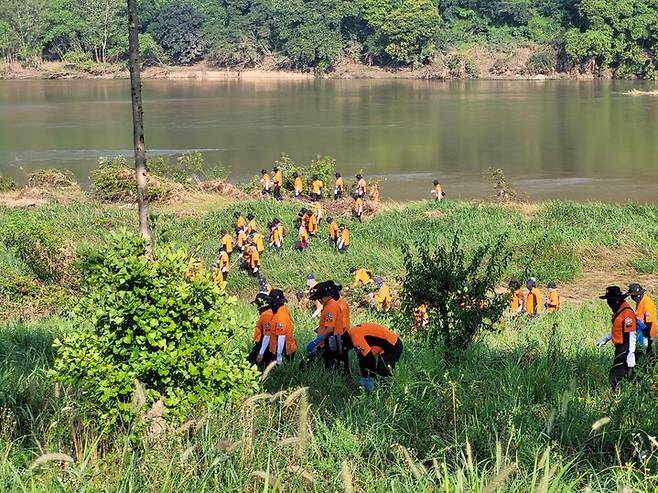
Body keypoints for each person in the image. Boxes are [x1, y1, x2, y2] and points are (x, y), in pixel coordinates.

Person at [596, 286, 637, 391]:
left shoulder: (627, 313)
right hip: (620, 347)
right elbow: (617, 329)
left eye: (610, 301)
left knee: (614, 375)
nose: (609, 304)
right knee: (629, 374)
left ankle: (614, 398)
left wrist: (631, 353)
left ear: (617, 301)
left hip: (625, 347)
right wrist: (605, 339)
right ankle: (647, 390)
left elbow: (631, 334)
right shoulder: (618, 310)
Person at [306, 280, 351, 373]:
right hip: (332, 339)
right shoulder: (330, 305)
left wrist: (316, 341)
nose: (318, 300)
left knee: (336, 367)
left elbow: (333, 327)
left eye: (319, 298)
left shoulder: (333, 306)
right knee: (336, 367)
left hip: (334, 339)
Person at [342, 323, 403, 392]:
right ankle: (378, 391)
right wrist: (364, 377)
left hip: (393, 345)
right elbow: (362, 359)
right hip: (385, 348)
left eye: (348, 348)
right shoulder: (352, 333)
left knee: (383, 374)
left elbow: (371, 360)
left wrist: (371, 378)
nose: (351, 349)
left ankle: (386, 394)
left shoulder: (356, 338)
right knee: (380, 373)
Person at [259, 289, 297, 365]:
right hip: (276, 349)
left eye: (270, 302)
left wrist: (279, 355)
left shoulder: (281, 316)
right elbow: (268, 334)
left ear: (274, 304)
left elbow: (281, 337)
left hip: (285, 350)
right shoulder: (276, 313)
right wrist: (261, 353)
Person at [628, 283, 656, 363]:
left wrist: (648, 337)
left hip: (647, 332)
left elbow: (649, 322)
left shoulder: (646, 303)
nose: (633, 298)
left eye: (633, 296)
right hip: (642, 332)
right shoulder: (640, 301)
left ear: (639, 295)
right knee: (646, 352)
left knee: (646, 352)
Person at [248, 293, 274, 369]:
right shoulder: (270, 312)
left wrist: (261, 353)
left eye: (257, 305)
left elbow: (267, 335)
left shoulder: (266, 315)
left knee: (249, 363)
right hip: (268, 345)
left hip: (264, 345)